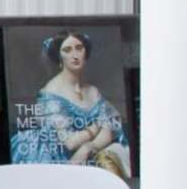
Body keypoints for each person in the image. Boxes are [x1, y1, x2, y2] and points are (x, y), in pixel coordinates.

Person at [11, 29, 132, 179]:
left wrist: (90, 146)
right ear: (59, 58)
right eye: (67, 50)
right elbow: (69, 142)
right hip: (56, 156)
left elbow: (110, 128)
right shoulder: (51, 92)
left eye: (79, 48)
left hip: (85, 152)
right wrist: (94, 128)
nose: (75, 55)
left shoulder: (92, 90)